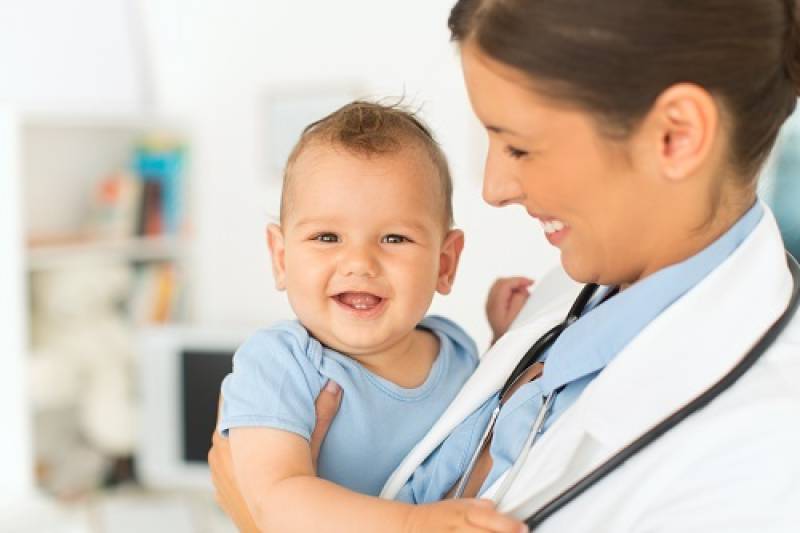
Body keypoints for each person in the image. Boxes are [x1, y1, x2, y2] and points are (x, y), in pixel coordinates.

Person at [210, 1, 800, 531]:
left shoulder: (758, 459)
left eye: (519, 145)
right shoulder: (569, 290)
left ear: (676, 135)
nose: (493, 188)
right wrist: (503, 345)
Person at [217, 100, 533, 532]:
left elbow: (474, 428)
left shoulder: (455, 349)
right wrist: (411, 525)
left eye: (394, 238)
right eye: (327, 237)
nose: (360, 262)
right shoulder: (279, 364)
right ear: (281, 257)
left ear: (445, 264)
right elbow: (277, 500)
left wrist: (505, 343)